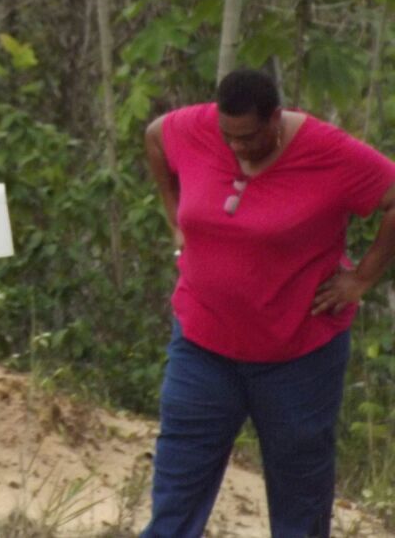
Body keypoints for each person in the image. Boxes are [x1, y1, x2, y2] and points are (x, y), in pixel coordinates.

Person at [141, 68, 395, 538]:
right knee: (178, 485)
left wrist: (361, 279)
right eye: (228, 137)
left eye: (249, 137)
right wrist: (174, 217)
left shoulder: (328, 151)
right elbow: (155, 137)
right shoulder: (195, 128)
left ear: (275, 118)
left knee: (300, 494)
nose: (237, 147)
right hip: (203, 345)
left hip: (298, 357)